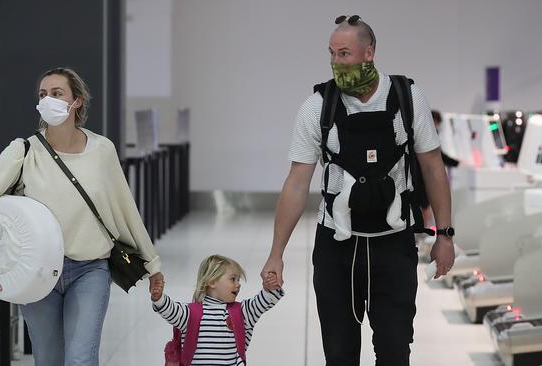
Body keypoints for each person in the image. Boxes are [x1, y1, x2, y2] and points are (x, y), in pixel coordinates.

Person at [260, 15, 455, 365]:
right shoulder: (318, 107)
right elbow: (296, 183)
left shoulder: (407, 99)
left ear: (369, 53)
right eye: (332, 54)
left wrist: (445, 234)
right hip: (337, 248)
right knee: (339, 354)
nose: (336, 62)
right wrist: (277, 252)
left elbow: (433, 169)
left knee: (395, 351)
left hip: (393, 245)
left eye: (344, 53)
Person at [0, 67, 164, 366]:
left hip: (90, 270)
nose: (48, 100)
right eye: (43, 95)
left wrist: (152, 263)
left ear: (77, 102)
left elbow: (125, 210)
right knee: (48, 360)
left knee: (81, 358)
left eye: (57, 94)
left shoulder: (101, 150)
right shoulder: (24, 150)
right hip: (37, 272)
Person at [150, 254, 284, 365]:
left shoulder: (241, 313)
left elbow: (260, 304)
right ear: (212, 282)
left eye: (238, 280)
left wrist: (269, 288)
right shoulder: (191, 314)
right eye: (233, 279)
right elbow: (171, 311)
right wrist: (159, 298)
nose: (238, 285)